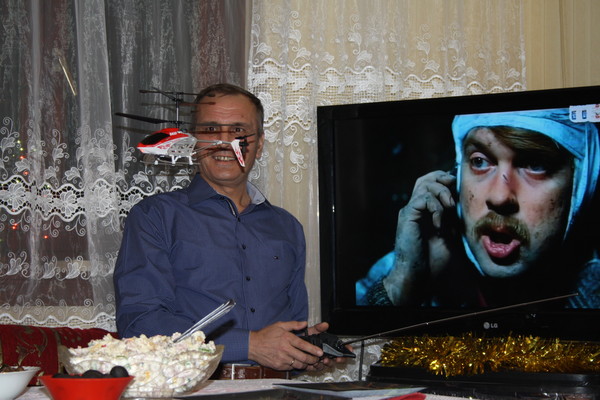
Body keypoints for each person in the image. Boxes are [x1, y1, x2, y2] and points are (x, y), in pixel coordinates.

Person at [114, 83, 344, 375]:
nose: (224, 142)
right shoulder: (155, 216)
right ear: (193, 141)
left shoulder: (288, 227)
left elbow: (290, 327)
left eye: (238, 131)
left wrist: (303, 350)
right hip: (195, 389)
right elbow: (139, 324)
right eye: (211, 130)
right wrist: (248, 345)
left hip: (279, 389)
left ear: (259, 145)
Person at [357, 108, 600, 308]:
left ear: (580, 183)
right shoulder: (401, 268)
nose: (499, 197)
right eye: (480, 162)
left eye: (535, 165)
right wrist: (401, 285)